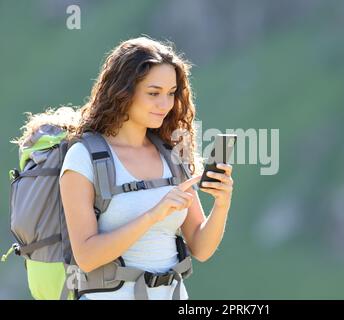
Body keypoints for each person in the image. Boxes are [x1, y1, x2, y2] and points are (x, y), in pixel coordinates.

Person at [58, 36, 234, 300]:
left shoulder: (173, 152)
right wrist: (154, 214)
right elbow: (87, 257)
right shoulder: (83, 158)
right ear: (123, 91)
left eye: (171, 93)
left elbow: (201, 248)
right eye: (153, 93)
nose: (165, 105)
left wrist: (222, 204)